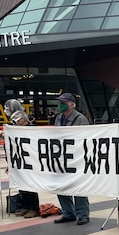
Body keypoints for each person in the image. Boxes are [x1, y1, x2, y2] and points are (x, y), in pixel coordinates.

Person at [53, 93, 91, 225]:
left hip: (76, 158)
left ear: (72, 104)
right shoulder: (58, 118)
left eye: (64, 102)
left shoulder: (80, 119)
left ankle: (82, 214)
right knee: (61, 186)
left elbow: (86, 139)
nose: (60, 105)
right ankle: (68, 212)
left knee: (78, 186)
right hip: (61, 157)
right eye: (60, 102)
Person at [8, 110, 41, 218]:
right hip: (20, 161)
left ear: (22, 119)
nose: (14, 123)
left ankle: (34, 208)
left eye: (15, 120)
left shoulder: (32, 129)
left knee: (31, 184)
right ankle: (26, 206)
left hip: (30, 161)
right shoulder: (16, 131)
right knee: (22, 185)